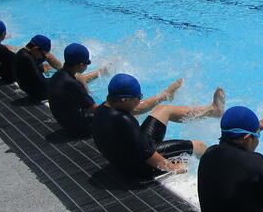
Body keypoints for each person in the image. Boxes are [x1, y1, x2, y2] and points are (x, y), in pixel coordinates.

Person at [92, 73, 224, 179]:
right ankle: (220, 176)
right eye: (138, 97)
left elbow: (139, 110)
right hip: (140, 168)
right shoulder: (124, 120)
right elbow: (146, 154)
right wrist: (173, 168)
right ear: (124, 100)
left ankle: (212, 110)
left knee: (164, 109)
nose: (139, 101)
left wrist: (163, 95)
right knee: (199, 146)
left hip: (129, 157)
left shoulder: (103, 109)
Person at [47, 43, 110, 138]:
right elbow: (95, 110)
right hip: (78, 128)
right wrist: (112, 102)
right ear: (80, 65)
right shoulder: (72, 84)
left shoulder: (58, 75)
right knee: (114, 115)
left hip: (64, 122)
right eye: (87, 63)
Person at [12, 34, 60, 101]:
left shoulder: (22, 52)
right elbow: (43, 83)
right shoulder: (28, 59)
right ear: (36, 49)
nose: (42, 57)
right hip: (38, 94)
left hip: (29, 88)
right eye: (43, 54)